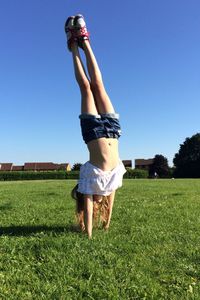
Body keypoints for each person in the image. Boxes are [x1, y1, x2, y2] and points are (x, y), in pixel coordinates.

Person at [65, 14, 126, 238]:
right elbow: (111, 200)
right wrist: (107, 224)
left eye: (95, 200)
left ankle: (76, 45)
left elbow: (89, 209)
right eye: (101, 201)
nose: (100, 200)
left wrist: (88, 234)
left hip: (92, 131)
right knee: (99, 85)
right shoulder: (112, 183)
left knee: (86, 87)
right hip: (113, 128)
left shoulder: (87, 183)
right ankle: (83, 42)